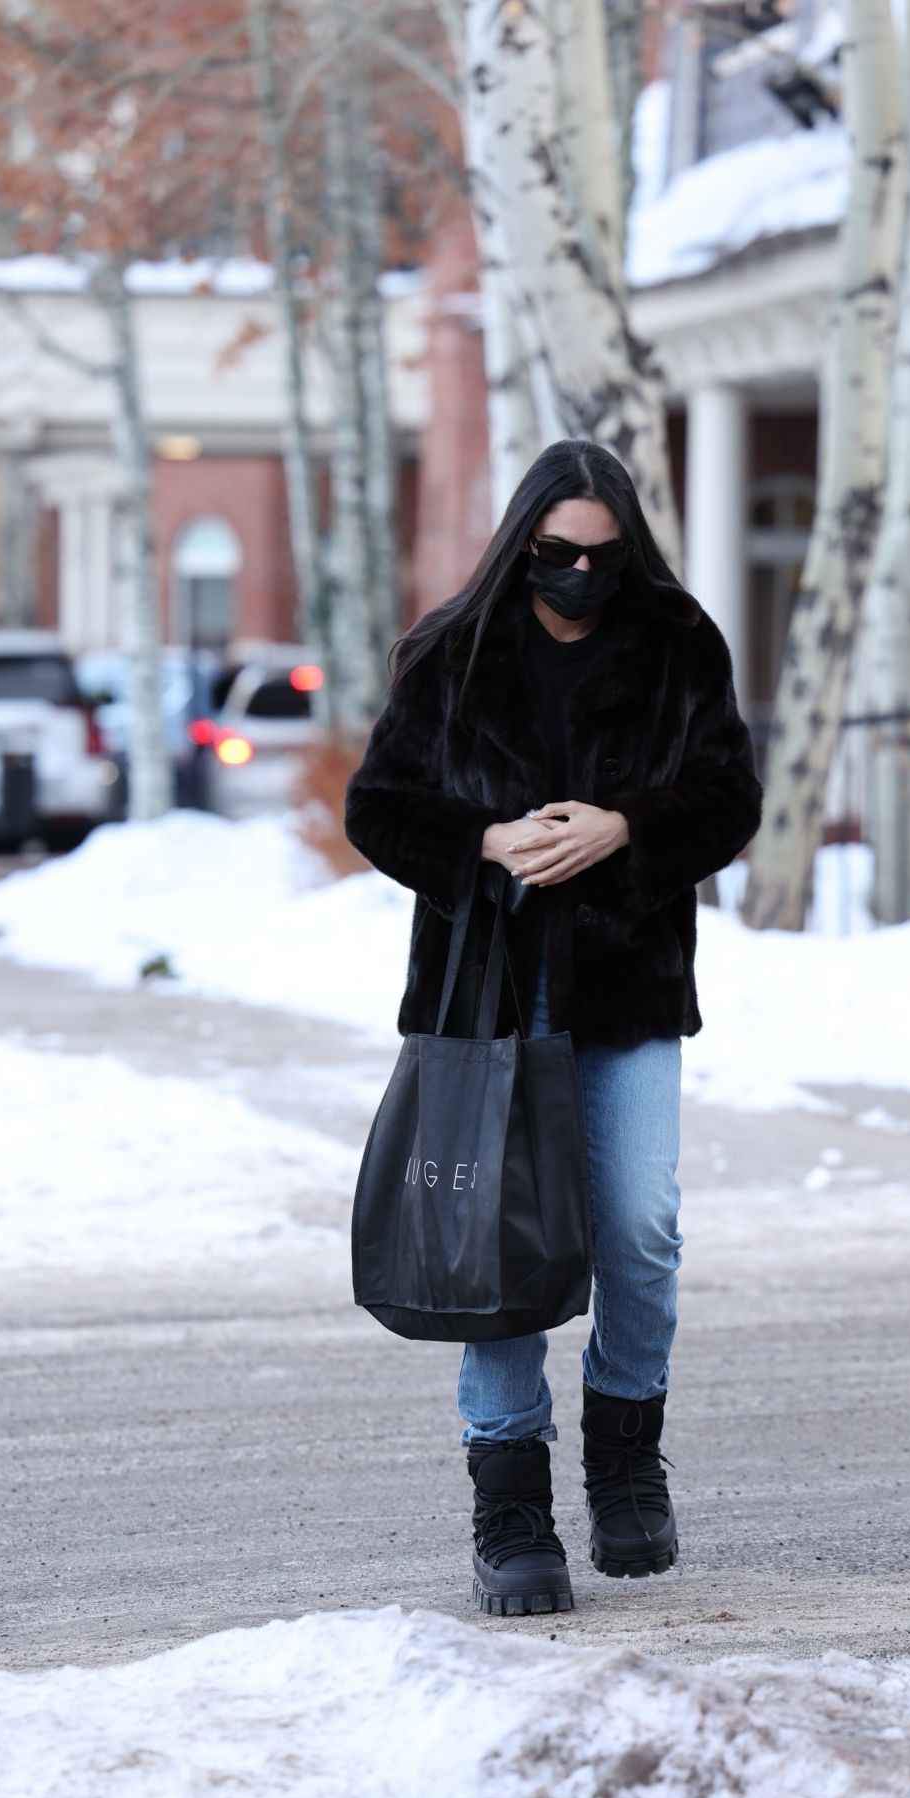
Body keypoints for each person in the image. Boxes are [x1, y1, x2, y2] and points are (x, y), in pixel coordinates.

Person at [344, 439, 762, 1617]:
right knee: (496, 1249)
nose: (578, 571)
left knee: (639, 1229)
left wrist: (624, 828)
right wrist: (483, 843)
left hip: (625, 985)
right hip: (486, 991)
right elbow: (377, 808)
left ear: (627, 546)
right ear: (520, 539)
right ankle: (509, 1506)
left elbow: (730, 796)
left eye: (601, 553)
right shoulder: (451, 653)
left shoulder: (677, 646)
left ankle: (626, 1458)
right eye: (554, 552)